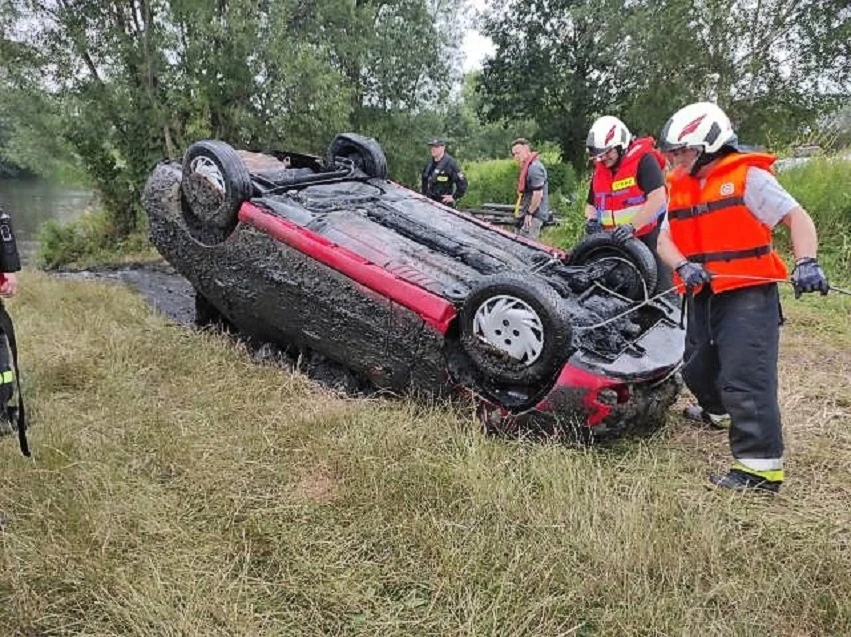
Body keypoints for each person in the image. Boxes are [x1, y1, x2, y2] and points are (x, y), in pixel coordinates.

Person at [656, 101, 829, 493]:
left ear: (707, 146)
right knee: (696, 367)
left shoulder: (749, 179)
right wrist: (683, 266)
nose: (674, 159)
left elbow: (796, 218)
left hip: (747, 295)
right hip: (701, 290)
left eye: (681, 151)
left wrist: (807, 262)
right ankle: (717, 412)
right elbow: (664, 239)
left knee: (745, 377)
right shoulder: (679, 187)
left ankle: (759, 468)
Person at [585, 115, 672, 294]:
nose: (603, 158)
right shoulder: (600, 171)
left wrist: (632, 227)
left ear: (621, 146)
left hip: (648, 236)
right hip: (615, 242)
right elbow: (591, 204)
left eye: (608, 152)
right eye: (600, 154)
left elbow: (657, 198)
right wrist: (591, 220)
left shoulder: (644, 161)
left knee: (660, 290)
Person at [510, 138, 549, 240]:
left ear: (526, 149)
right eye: (514, 154)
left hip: (534, 216)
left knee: (527, 247)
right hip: (527, 214)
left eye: (518, 153)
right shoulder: (528, 167)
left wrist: (529, 213)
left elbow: (538, 195)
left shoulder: (534, 168)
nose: (516, 157)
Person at [421, 138, 467, 208]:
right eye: (432, 147)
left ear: (443, 148)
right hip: (429, 203)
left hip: (444, 205)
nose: (433, 149)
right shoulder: (429, 164)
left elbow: (462, 182)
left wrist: (454, 197)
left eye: (436, 147)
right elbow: (424, 181)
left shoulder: (450, 163)